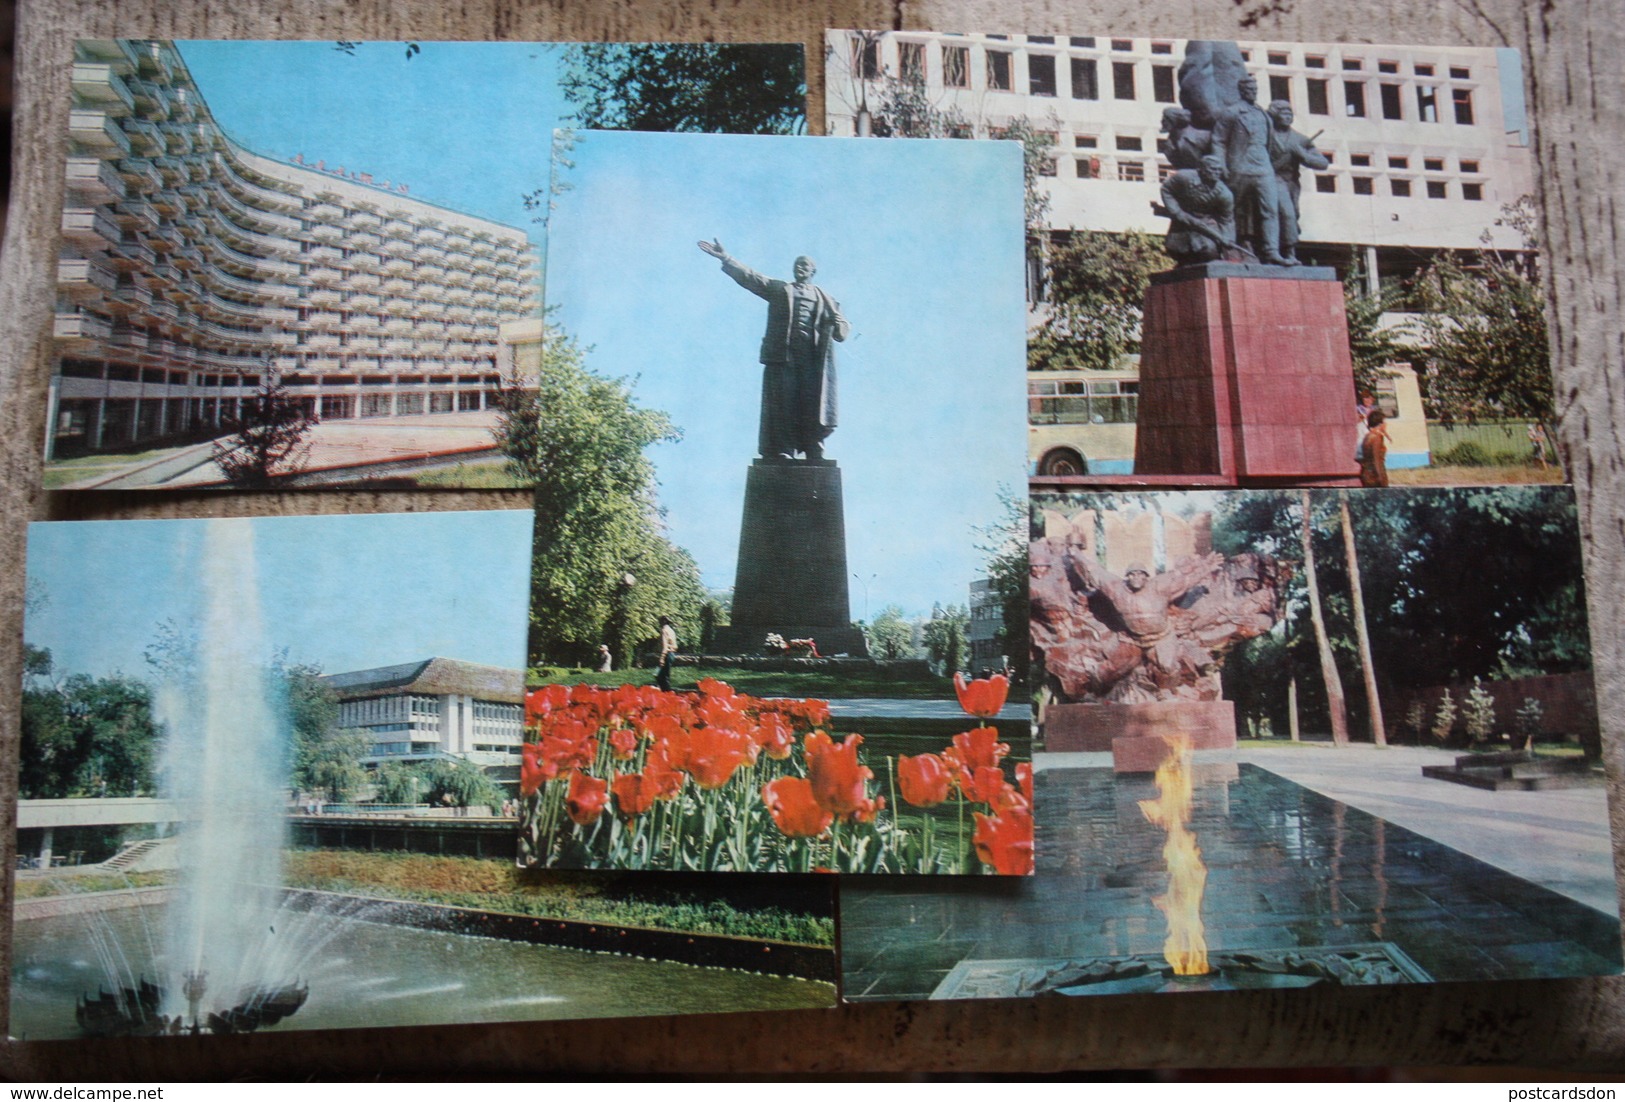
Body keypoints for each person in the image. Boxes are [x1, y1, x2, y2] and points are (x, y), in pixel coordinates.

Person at [698, 240, 852, 461]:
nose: (800, 268)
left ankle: (813, 446)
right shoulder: (780, 289)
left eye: (805, 265)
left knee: (811, 402)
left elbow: (842, 328)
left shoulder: (825, 297)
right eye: (797, 264)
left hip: (811, 360)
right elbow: (750, 277)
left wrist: (840, 327)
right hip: (783, 357)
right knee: (783, 403)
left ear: (813, 271)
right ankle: (784, 448)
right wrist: (726, 258)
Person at [1209, 74, 1290, 265]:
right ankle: (1227, 249)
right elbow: (1218, 140)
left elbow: (1270, 143)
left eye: (1255, 90)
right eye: (1249, 90)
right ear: (1241, 91)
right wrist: (1222, 164)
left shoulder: (1263, 114)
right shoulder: (1232, 112)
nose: (1252, 93)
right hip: (1240, 168)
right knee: (1230, 209)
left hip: (1263, 168)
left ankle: (1271, 251)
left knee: (1270, 210)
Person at [1266, 100, 1329, 265]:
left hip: (1291, 183)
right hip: (1271, 178)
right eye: (1283, 113)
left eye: (1290, 114)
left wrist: (1303, 155)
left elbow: (1322, 163)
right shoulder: (1266, 134)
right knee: (1286, 214)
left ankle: (1286, 250)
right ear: (1274, 114)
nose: (1287, 117)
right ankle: (1288, 252)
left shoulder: (1299, 139)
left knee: (1292, 215)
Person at [1159, 155, 1237, 263]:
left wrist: (1228, 238)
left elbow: (1227, 220)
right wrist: (1176, 211)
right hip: (1183, 221)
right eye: (1213, 169)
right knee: (1176, 250)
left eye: (1219, 170)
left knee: (1210, 252)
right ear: (1201, 169)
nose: (1217, 172)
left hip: (1206, 223)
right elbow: (1166, 189)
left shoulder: (1224, 194)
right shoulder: (1184, 177)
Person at [1358, 408, 1390, 487]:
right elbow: (1376, 459)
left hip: (1366, 472)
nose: (1386, 424)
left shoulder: (1367, 436)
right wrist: (1380, 477)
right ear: (1380, 424)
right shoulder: (1377, 437)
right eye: (1384, 422)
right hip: (1374, 474)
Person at [655, 614, 677, 692]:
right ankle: (666, 692)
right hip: (672, 654)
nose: (659, 622)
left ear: (664, 621)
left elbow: (664, 646)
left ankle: (666, 693)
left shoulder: (664, 630)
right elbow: (675, 646)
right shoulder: (671, 630)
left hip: (666, 655)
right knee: (665, 675)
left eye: (660, 620)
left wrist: (662, 658)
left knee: (661, 677)